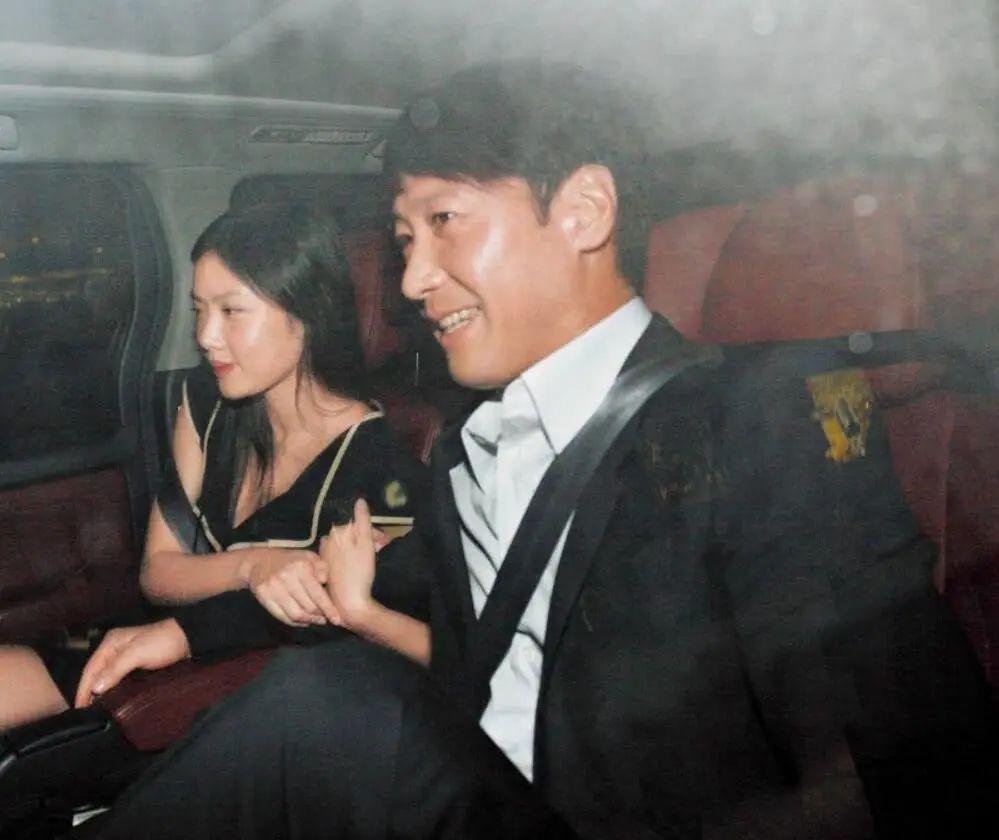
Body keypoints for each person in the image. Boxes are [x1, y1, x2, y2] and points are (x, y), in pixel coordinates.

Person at [85, 64, 996, 839]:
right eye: (403, 240)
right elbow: (399, 591)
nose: (413, 279)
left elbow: (904, 737)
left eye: (444, 221)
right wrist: (184, 631)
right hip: (491, 795)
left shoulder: (756, 417)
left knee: (329, 702)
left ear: (583, 211)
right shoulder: (471, 447)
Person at [0, 203, 427, 730]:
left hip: (227, 688)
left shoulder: (380, 467)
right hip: (149, 639)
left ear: (306, 316)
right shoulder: (206, 404)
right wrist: (256, 566)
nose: (205, 336)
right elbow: (159, 573)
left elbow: (342, 632)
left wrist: (199, 610)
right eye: (199, 310)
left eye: (231, 311)